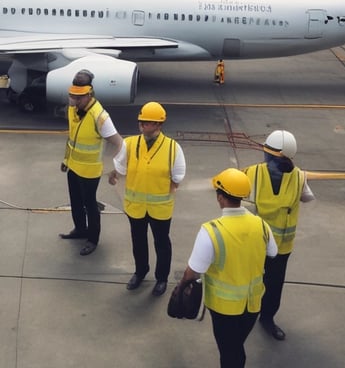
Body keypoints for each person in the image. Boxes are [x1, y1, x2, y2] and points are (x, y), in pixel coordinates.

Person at [181, 168, 277, 368]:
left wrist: (183, 285)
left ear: (221, 198)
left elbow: (193, 270)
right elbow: (273, 253)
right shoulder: (261, 225)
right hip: (252, 304)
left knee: (230, 353)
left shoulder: (211, 231)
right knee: (235, 346)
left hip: (224, 308)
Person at [243, 130, 315, 341]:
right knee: (263, 284)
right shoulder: (254, 173)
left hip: (278, 247)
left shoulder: (255, 173)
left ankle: (265, 317)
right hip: (261, 244)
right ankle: (259, 316)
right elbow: (307, 198)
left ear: (268, 154)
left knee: (271, 286)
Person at [108, 102, 186, 296]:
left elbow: (178, 175)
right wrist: (114, 174)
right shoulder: (130, 143)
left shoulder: (172, 148)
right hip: (135, 206)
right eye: (141, 122)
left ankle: (161, 279)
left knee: (162, 243)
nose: (142, 126)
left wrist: (169, 184)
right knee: (138, 241)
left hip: (160, 208)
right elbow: (120, 165)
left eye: (147, 123)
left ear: (159, 125)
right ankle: (140, 271)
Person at [59, 69, 123, 256]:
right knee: (76, 202)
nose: (74, 100)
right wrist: (66, 160)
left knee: (90, 205)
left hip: (90, 172)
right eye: (72, 96)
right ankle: (80, 229)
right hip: (73, 167)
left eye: (79, 97)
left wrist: (115, 170)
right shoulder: (72, 109)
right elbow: (73, 137)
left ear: (90, 94)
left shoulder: (100, 117)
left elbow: (120, 143)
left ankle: (93, 239)